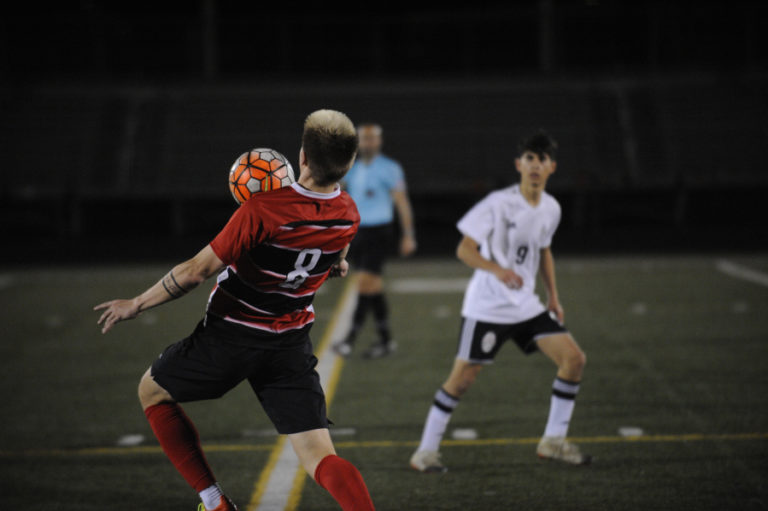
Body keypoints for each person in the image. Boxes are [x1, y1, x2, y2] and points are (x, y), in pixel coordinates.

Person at [94, 110, 376, 511]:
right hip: (290, 344)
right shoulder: (349, 213)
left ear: (303, 158)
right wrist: (335, 264)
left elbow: (195, 272)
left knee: (152, 392)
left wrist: (136, 303)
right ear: (346, 165)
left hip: (232, 336)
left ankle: (215, 502)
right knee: (319, 456)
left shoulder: (263, 209)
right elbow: (338, 257)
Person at [409, 131, 589, 473]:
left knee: (574, 359)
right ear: (518, 164)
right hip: (487, 307)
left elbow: (544, 250)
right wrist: (498, 270)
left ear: (553, 167)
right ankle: (425, 452)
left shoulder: (551, 208)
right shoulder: (498, 203)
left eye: (542, 160)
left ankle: (552, 441)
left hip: (526, 305)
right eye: (530, 159)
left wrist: (553, 296)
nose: (535, 166)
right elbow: (464, 249)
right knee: (462, 379)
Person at [332, 123, 416, 359]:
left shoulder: (390, 168)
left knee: (365, 284)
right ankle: (386, 341)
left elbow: (402, 202)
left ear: (378, 141)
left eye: (371, 139)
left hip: (379, 232)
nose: (367, 142)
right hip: (357, 233)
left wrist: (408, 235)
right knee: (372, 287)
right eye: (364, 139)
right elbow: (337, 195)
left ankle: (349, 340)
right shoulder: (353, 168)